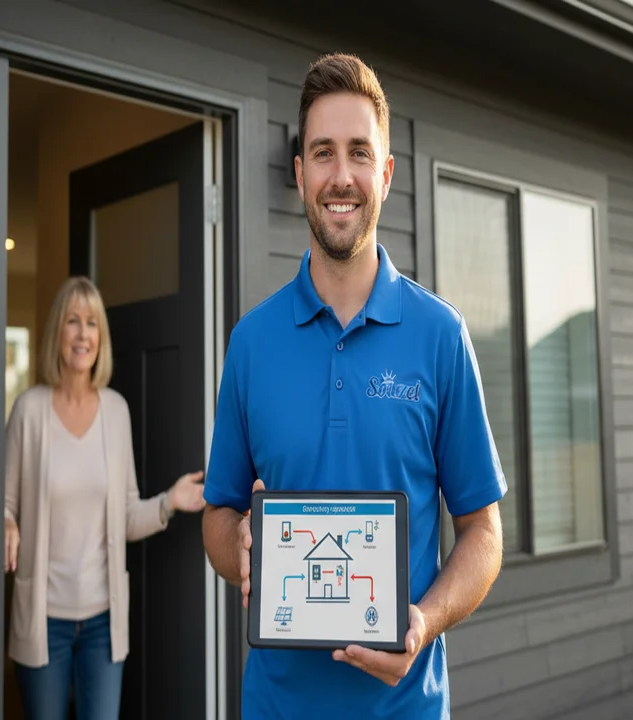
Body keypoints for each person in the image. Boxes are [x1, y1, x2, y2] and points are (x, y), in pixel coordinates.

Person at [201, 53, 506, 718]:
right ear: (299, 172)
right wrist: (243, 548)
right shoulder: (252, 343)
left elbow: (483, 531)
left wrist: (422, 621)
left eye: (359, 153)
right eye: (323, 152)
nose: (342, 176)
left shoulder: (440, 335)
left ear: (387, 173)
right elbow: (218, 515)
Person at [4, 276, 206, 720]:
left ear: (101, 338)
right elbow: (5, 504)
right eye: (73, 321)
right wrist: (7, 522)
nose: (82, 334)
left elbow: (127, 516)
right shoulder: (29, 411)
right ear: (58, 331)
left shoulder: (116, 412)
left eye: (92, 324)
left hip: (102, 623)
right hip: (43, 622)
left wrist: (171, 501)